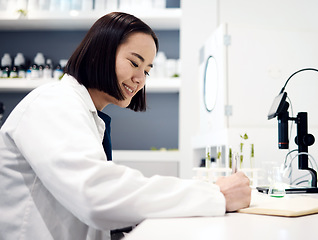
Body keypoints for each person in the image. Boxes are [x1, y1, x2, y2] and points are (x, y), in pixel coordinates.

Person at [0, 12, 251, 240]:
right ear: (100, 52)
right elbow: (98, 195)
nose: (140, 79)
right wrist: (215, 195)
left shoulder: (83, 113)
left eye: (147, 70)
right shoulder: (52, 104)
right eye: (134, 63)